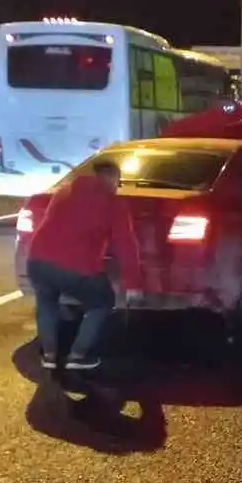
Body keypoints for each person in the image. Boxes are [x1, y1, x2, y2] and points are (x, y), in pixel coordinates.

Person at [25, 159, 140, 371]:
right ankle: (77, 356)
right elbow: (125, 244)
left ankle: (49, 355)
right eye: (118, 181)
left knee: (46, 303)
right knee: (102, 303)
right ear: (113, 179)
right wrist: (131, 281)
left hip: (37, 260)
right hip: (75, 267)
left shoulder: (63, 192)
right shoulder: (112, 203)